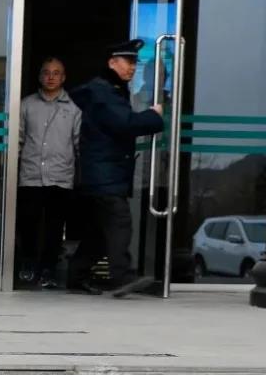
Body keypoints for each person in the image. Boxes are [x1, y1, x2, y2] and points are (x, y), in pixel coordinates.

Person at [67, 39, 165, 297]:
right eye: (128, 61)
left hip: (103, 173)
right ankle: (121, 277)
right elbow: (125, 124)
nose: (132, 67)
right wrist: (154, 116)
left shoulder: (109, 90)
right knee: (119, 223)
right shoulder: (104, 92)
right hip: (104, 174)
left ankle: (76, 276)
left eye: (135, 62)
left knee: (99, 232)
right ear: (112, 63)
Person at [17, 57, 81, 289]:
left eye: (56, 73)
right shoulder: (26, 105)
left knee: (54, 229)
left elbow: (78, 143)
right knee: (28, 224)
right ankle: (28, 264)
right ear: (40, 76)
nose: (51, 77)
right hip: (30, 175)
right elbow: (18, 139)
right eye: (46, 72)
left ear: (63, 78)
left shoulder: (74, 108)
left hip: (61, 177)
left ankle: (49, 270)